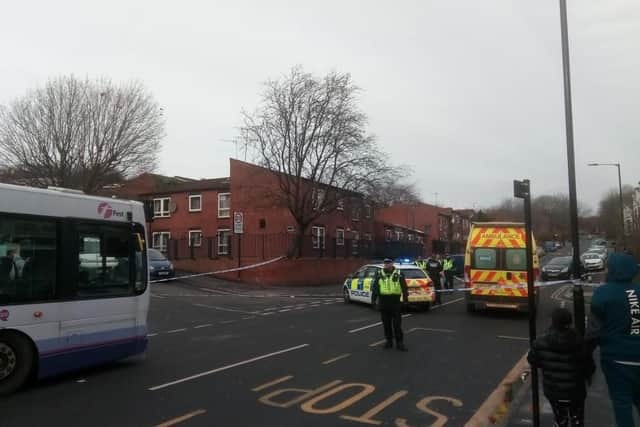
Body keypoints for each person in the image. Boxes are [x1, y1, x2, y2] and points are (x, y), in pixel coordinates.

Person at [586, 252, 640, 427]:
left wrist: (585, 356)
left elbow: (593, 331)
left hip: (617, 360)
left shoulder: (603, 294)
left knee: (622, 405)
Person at [528, 307, 594, 427]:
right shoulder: (579, 341)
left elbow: (533, 360)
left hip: (553, 391)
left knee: (560, 418)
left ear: (553, 322)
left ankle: (561, 422)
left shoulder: (541, 342)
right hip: (575, 392)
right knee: (577, 419)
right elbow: (589, 366)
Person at [372, 258, 409, 352]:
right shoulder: (379, 274)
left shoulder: (399, 273)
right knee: (386, 324)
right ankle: (389, 341)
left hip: (395, 301)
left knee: (397, 324)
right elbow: (375, 288)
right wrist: (373, 301)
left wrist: (405, 300)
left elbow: (404, 287)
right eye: (385, 263)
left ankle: (399, 343)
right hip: (383, 301)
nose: (387, 265)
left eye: (388, 263)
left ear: (392, 264)